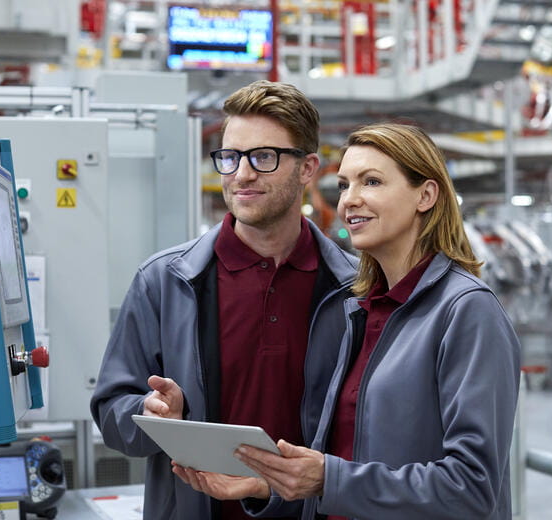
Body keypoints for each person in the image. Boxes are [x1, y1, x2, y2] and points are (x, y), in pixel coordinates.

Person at [178, 123, 521, 519]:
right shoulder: (361, 310)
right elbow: (352, 461)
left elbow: (472, 488)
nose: (349, 201)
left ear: (426, 196)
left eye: (371, 182)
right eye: (343, 185)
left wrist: (328, 479)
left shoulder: (466, 311)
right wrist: (273, 484)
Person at [90, 80, 357, 520]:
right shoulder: (164, 282)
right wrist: (153, 413)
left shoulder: (353, 290)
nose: (242, 174)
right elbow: (112, 414)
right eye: (230, 157)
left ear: (308, 168)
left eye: (264, 157)